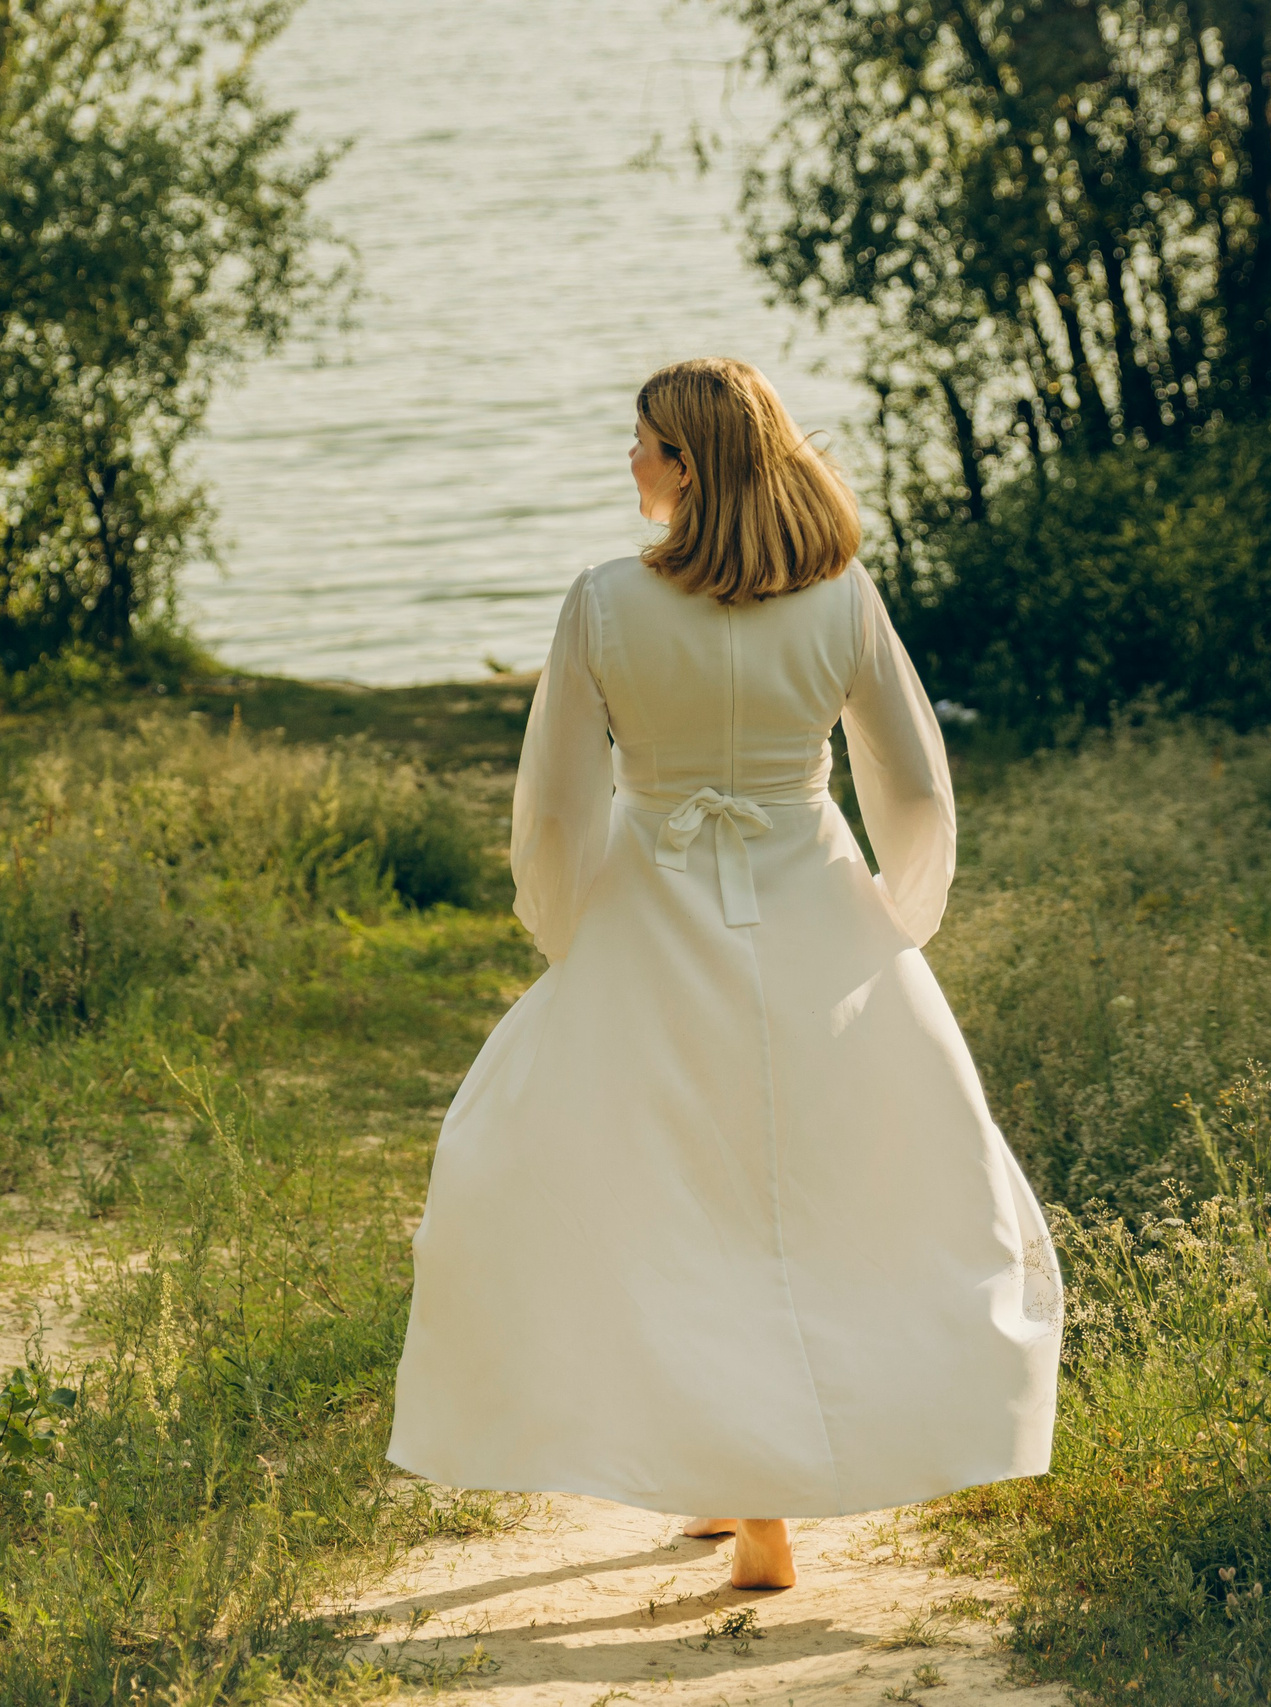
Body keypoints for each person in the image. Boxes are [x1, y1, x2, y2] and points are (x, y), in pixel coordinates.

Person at [386, 358, 1061, 1591]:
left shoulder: (601, 606)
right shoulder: (841, 598)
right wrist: (895, 922)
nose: (629, 462)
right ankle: (746, 1490)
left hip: (651, 907)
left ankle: (745, 1494)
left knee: (668, 1184)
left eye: (644, 443)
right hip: (811, 907)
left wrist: (564, 925)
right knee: (803, 1186)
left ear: (690, 464)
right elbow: (909, 785)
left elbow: (551, 806)